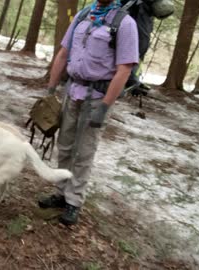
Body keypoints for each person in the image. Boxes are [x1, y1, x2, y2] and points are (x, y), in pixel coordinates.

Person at [38, 0, 139, 226]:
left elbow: (124, 69)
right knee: (64, 146)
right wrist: (51, 90)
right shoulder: (83, 15)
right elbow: (63, 53)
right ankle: (61, 192)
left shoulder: (125, 23)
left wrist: (104, 107)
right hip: (71, 92)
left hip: (96, 97)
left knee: (84, 152)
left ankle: (74, 201)